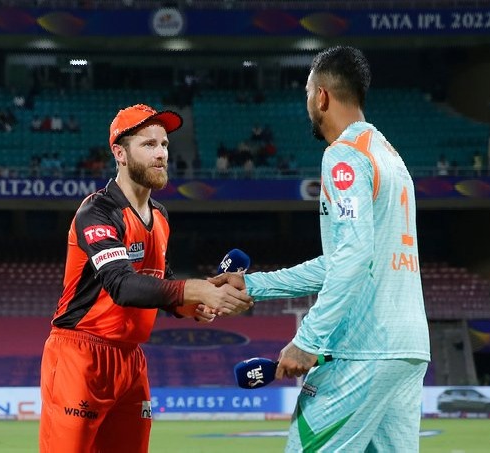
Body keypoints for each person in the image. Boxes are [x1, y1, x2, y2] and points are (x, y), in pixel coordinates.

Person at [210, 46, 430, 452]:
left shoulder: (343, 156)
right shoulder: (390, 156)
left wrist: (308, 340)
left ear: (322, 96)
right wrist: (254, 286)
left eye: (308, 93)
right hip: (407, 348)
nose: (308, 103)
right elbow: (346, 259)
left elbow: (353, 257)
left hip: (363, 349)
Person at [39, 103, 253, 453]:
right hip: (80, 356)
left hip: (130, 361)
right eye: (149, 144)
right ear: (120, 154)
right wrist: (192, 289)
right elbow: (122, 285)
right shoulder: (98, 211)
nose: (161, 154)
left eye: (164, 144)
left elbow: (159, 282)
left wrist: (190, 305)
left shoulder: (161, 216)